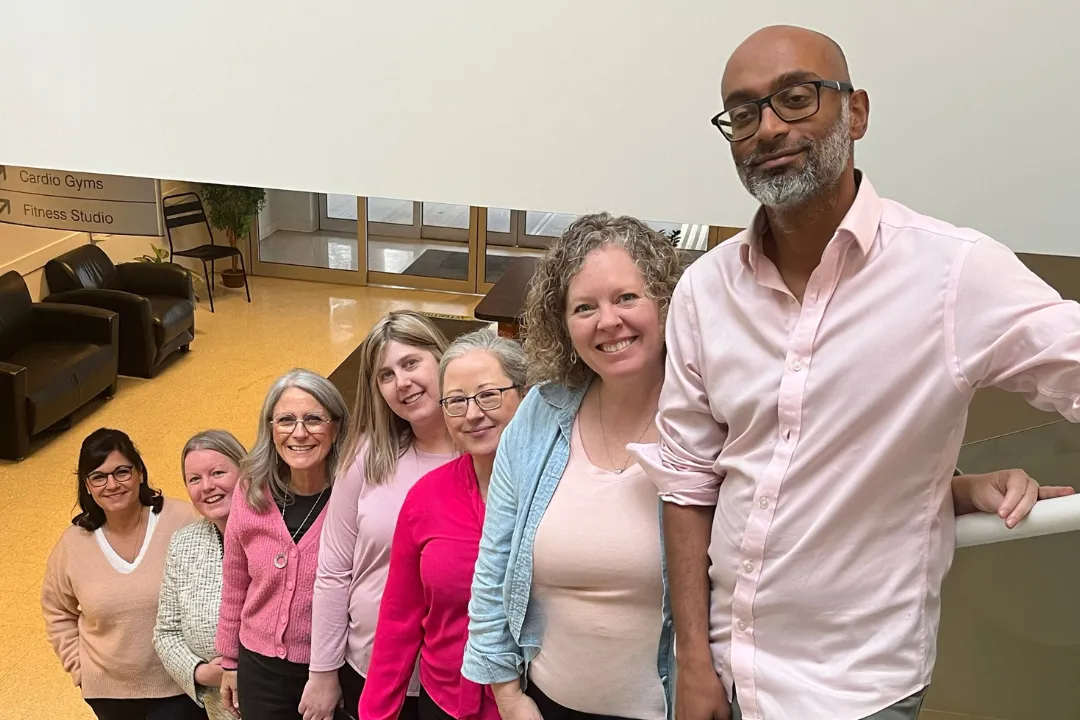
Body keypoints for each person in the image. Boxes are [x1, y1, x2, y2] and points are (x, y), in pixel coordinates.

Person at [631, 24, 1080, 720]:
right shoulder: (705, 289)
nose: (768, 128)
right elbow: (690, 485)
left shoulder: (953, 273)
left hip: (857, 693)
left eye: (796, 98)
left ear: (857, 111)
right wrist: (693, 660)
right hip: (721, 674)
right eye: (743, 114)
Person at [362, 329, 526, 720]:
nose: (472, 414)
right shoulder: (426, 497)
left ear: (525, 395)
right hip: (446, 704)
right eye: (455, 402)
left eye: (489, 395)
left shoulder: (560, 491)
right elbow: (399, 619)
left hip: (535, 706)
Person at [303, 311, 456, 720]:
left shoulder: (485, 453)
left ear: (442, 359)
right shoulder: (367, 457)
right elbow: (334, 569)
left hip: (463, 675)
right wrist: (323, 670)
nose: (401, 382)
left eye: (410, 363)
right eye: (385, 375)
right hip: (372, 668)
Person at [216, 368, 350, 720]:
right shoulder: (250, 490)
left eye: (314, 419)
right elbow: (234, 584)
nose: (299, 432)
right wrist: (230, 663)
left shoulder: (353, 495)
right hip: (259, 669)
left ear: (335, 427)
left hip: (332, 669)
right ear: (270, 428)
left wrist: (331, 673)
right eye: (286, 420)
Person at [41, 428, 203, 720]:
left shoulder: (182, 521)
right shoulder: (73, 544)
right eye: (99, 477)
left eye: (121, 472)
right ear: (87, 486)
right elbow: (57, 611)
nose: (112, 484)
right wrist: (80, 670)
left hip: (180, 686)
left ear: (139, 472)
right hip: (108, 695)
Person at [154, 430, 248, 720]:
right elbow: (166, 633)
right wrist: (204, 673)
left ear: (246, 472)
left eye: (218, 472)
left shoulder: (280, 529)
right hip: (220, 710)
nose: (207, 487)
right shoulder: (184, 543)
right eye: (194, 479)